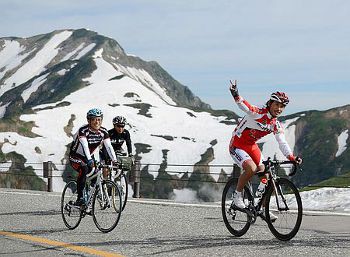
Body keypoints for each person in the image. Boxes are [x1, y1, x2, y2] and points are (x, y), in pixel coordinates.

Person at [228, 80, 302, 220]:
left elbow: (282, 142)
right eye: (277, 105)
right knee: (251, 168)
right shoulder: (259, 112)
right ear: (270, 103)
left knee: (266, 176)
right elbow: (245, 106)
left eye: (282, 107)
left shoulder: (275, 124)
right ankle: (237, 197)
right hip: (237, 145)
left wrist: (291, 157)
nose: (279, 109)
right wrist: (236, 93)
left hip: (251, 146)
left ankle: (261, 208)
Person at [69, 108, 117, 206]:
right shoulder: (83, 130)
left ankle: (90, 197)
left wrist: (114, 160)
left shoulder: (103, 132)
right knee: (84, 168)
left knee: (95, 176)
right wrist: (89, 160)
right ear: (89, 120)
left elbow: (109, 146)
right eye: (94, 119)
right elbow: (85, 146)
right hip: (76, 156)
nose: (97, 122)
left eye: (99, 119)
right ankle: (80, 198)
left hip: (88, 157)